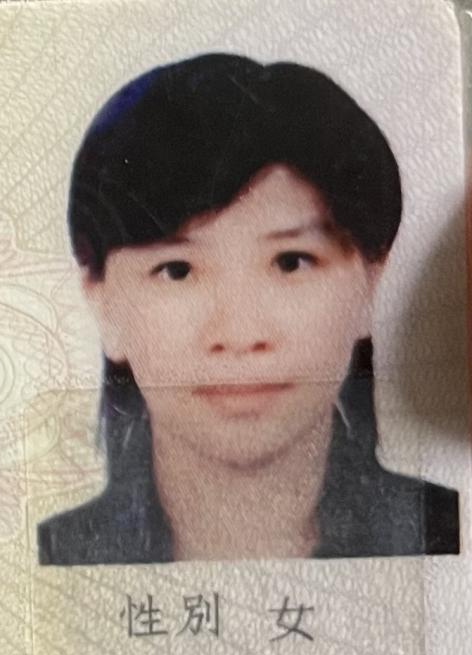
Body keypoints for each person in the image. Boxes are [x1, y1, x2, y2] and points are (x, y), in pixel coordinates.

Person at [36, 53, 460, 566]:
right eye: (177, 270)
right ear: (101, 299)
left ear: (372, 281)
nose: (239, 333)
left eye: (290, 262)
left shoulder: (449, 534)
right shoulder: (52, 560)